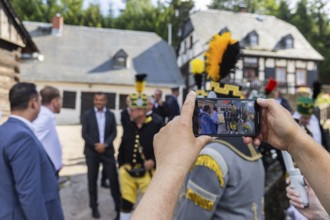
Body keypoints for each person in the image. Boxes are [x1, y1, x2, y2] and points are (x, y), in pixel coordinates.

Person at [0, 82, 64, 220]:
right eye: (40, 102)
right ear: (34, 103)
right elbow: (29, 193)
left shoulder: (4, 130)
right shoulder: (22, 137)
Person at [118, 90, 163, 220]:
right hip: (127, 171)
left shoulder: (156, 123)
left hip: (147, 172)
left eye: (132, 109)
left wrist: (153, 161)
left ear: (141, 112)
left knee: (151, 204)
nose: (129, 111)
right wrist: (121, 165)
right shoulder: (128, 122)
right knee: (126, 203)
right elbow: (123, 143)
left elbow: (163, 146)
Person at [81, 92, 121, 219]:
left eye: (101, 100)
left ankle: (119, 208)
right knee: (92, 181)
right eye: (97, 100)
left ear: (106, 101)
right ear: (94, 101)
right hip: (92, 152)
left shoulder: (111, 115)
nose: (99, 102)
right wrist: (96, 145)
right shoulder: (87, 115)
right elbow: (84, 134)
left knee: (114, 180)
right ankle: (94, 207)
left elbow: (114, 132)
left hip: (108, 151)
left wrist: (106, 144)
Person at [33, 86, 63, 178]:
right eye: (60, 100)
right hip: (46, 171)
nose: (61, 103)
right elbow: (32, 139)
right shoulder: (45, 117)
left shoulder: (46, 116)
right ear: (55, 102)